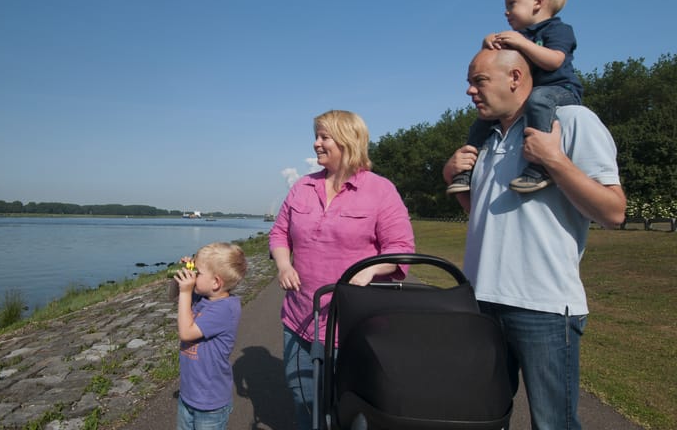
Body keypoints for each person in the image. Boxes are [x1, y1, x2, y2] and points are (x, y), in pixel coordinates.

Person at [442, 48, 626, 430]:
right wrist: (453, 180)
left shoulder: (570, 120)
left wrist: (554, 160)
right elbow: (484, 216)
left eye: (479, 81)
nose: (470, 92)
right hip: (481, 302)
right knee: (483, 417)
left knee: (551, 423)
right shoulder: (487, 136)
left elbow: (613, 212)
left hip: (542, 307)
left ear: (514, 77)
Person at [269, 109, 415, 429]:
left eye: (324, 137)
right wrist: (282, 265)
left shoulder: (380, 190)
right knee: (304, 400)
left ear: (348, 140)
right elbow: (279, 233)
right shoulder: (302, 187)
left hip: (354, 325)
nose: (316, 144)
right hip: (299, 320)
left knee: (355, 410)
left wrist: (371, 270)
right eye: (316, 136)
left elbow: (401, 249)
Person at [447, 0, 583, 195]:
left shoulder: (558, 29)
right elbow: (499, 66)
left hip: (561, 90)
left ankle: (540, 166)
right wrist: (488, 43)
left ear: (538, 2)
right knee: (482, 121)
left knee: (538, 100)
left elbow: (555, 61)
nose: (506, 12)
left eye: (512, 4)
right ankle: (467, 171)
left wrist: (522, 44)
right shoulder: (523, 35)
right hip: (536, 94)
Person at [172, 242, 248, 430]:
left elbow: (186, 332)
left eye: (197, 272)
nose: (193, 276)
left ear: (216, 282)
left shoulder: (225, 309)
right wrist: (179, 278)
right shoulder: (202, 296)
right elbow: (172, 296)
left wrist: (185, 291)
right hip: (188, 394)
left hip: (210, 402)